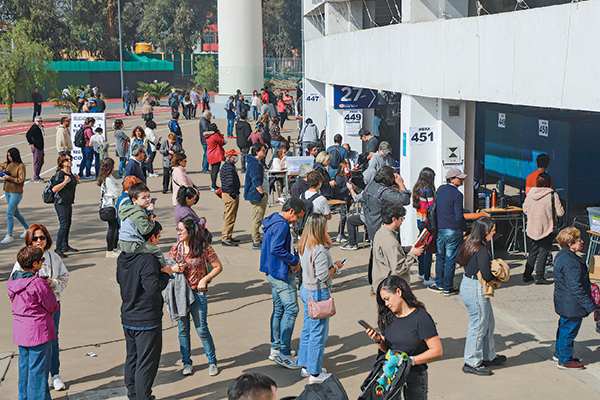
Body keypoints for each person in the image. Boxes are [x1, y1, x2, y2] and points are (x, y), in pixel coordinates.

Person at [117, 222, 172, 400]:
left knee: (132, 357)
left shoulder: (124, 257)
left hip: (128, 315)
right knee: (146, 364)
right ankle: (142, 396)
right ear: (150, 238)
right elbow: (152, 288)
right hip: (146, 320)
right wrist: (166, 274)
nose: (158, 241)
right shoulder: (147, 260)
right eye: (158, 237)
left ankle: (133, 394)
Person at [365, 276, 443, 399]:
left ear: (398, 292)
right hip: (390, 375)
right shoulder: (389, 316)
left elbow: (437, 351)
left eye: (387, 299)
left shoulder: (421, 318)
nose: (386, 304)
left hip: (415, 376)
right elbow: (388, 349)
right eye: (383, 301)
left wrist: (409, 361)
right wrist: (378, 340)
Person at [13, 225, 69, 391]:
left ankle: (55, 374)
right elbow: (14, 284)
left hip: (51, 308)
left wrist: (53, 284)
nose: (39, 241)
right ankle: (37, 383)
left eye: (42, 237)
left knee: (53, 340)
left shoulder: (54, 257)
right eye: (35, 238)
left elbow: (65, 277)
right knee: (30, 352)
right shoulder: (22, 260)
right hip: (30, 314)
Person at [169, 216, 222, 377]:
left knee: (202, 329)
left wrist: (205, 279)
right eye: (178, 230)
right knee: (183, 330)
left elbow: (218, 266)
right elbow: (167, 269)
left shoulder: (203, 246)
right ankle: (187, 363)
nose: (178, 233)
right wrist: (174, 269)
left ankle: (212, 362)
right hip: (180, 294)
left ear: (190, 231)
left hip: (197, 293)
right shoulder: (176, 248)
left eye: (181, 230)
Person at [8, 246, 60, 400]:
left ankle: (23, 397)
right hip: (39, 332)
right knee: (38, 371)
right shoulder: (38, 284)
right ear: (36, 264)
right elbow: (53, 306)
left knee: (24, 368)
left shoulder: (13, 281)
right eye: (41, 260)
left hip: (20, 331)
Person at [297, 213, 344, 383]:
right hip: (318, 293)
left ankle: (305, 365)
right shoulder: (320, 250)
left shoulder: (304, 244)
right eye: (324, 226)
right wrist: (336, 267)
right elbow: (324, 275)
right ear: (319, 228)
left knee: (308, 329)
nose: (327, 228)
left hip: (306, 290)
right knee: (318, 332)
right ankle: (315, 373)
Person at [456, 216, 505, 376]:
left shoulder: (468, 242)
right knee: (478, 325)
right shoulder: (482, 250)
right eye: (492, 230)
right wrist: (500, 276)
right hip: (475, 289)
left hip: (467, 284)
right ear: (484, 232)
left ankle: (487, 355)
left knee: (488, 321)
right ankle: (471, 361)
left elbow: (458, 260)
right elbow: (486, 274)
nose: (494, 232)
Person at [260, 198, 305, 369]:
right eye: (298, 216)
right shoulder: (283, 225)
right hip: (281, 273)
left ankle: (276, 347)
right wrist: (293, 260)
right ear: (291, 211)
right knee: (291, 308)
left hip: (272, 271)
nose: (298, 220)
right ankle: (284, 353)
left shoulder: (273, 220)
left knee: (279, 309)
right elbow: (276, 248)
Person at [553, 227, 596, 370]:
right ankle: (565, 360)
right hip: (571, 304)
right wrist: (590, 306)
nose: (582, 242)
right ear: (570, 244)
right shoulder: (571, 262)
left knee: (563, 328)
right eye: (579, 240)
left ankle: (560, 354)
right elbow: (576, 287)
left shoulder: (561, 256)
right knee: (569, 331)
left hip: (564, 301)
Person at [364, 166, 411, 294]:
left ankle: (373, 284)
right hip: (383, 227)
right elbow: (405, 200)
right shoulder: (383, 192)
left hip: (372, 226)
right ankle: (389, 284)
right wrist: (401, 184)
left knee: (375, 256)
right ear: (389, 179)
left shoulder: (369, 186)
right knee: (391, 258)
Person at [429, 168, 468, 296]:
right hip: (453, 230)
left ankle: (439, 284)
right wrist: (464, 228)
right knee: (450, 260)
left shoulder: (441, 190)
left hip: (441, 229)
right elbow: (458, 216)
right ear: (452, 179)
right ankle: (447, 287)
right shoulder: (457, 195)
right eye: (459, 178)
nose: (462, 180)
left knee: (440, 258)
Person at [523, 172, 564, 285]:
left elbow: (525, 209)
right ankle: (539, 276)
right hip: (547, 228)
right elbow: (560, 213)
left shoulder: (531, 194)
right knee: (543, 252)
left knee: (533, 252)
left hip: (532, 228)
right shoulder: (552, 195)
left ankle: (527, 274)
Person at [373, 202, 424, 291]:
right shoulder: (391, 242)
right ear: (394, 219)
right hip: (391, 288)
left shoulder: (380, 232)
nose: (402, 222)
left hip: (382, 283)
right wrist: (413, 254)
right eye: (401, 219)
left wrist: (408, 249)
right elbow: (398, 268)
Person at [118, 182, 165, 267]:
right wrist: (152, 221)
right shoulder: (138, 212)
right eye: (144, 197)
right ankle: (165, 269)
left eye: (148, 196)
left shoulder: (129, 209)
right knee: (157, 251)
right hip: (133, 244)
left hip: (124, 243)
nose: (147, 199)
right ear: (134, 200)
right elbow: (145, 230)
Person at [412, 167, 436, 286]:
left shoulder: (417, 188)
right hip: (427, 222)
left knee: (420, 246)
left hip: (419, 221)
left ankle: (421, 272)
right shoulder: (428, 191)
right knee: (428, 250)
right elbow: (432, 206)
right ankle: (427, 277)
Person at [51, 154, 79, 258]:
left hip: (68, 202)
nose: (70, 161)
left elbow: (70, 187)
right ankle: (58, 248)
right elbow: (54, 189)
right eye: (67, 160)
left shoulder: (70, 172)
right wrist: (64, 182)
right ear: (62, 162)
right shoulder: (60, 174)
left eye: (71, 159)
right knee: (63, 224)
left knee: (68, 224)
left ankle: (65, 245)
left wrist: (76, 180)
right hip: (60, 202)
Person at [0, 148, 29, 244]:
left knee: (9, 213)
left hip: (16, 193)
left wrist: (9, 178)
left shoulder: (20, 166)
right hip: (7, 191)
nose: (9, 158)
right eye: (8, 156)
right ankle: (27, 229)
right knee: (16, 213)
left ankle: (9, 235)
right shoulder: (7, 164)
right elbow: (1, 166)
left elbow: (21, 180)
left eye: (10, 156)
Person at [98, 158, 123, 258]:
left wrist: (119, 186)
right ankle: (109, 250)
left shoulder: (108, 177)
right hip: (108, 207)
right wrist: (119, 187)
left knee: (115, 227)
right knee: (113, 228)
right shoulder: (108, 180)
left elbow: (118, 183)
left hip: (108, 206)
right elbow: (116, 193)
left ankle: (114, 248)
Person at [245, 143, 268, 250]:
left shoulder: (257, 162)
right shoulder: (254, 164)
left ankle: (257, 238)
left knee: (258, 216)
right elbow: (255, 179)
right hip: (257, 195)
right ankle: (256, 240)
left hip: (258, 194)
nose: (265, 152)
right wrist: (261, 192)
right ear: (257, 152)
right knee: (257, 217)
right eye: (263, 150)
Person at [221, 149, 242, 246]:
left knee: (231, 216)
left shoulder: (228, 166)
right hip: (230, 195)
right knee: (229, 217)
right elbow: (230, 182)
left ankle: (228, 235)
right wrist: (233, 194)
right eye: (234, 155)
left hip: (229, 194)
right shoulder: (229, 168)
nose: (236, 157)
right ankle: (226, 238)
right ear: (230, 157)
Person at [205, 122, 225, 192]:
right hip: (216, 154)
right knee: (215, 171)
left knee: (212, 169)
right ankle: (213, 185)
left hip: (210, 154)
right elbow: (222, 142)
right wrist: (221, 135)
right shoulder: (215, 135)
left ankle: (213, 185)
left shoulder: (208, 136)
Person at [26, 116, 46, 183]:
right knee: (37, 161)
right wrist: (31, 143)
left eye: (41, 121)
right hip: (37, 147)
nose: (40, 122)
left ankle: (36, 175)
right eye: (38, 121)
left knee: (41, 161)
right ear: (35, 121)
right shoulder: (34, 127)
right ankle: (36, 177)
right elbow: (28, 135)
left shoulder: (40, 127)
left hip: (40, 146)